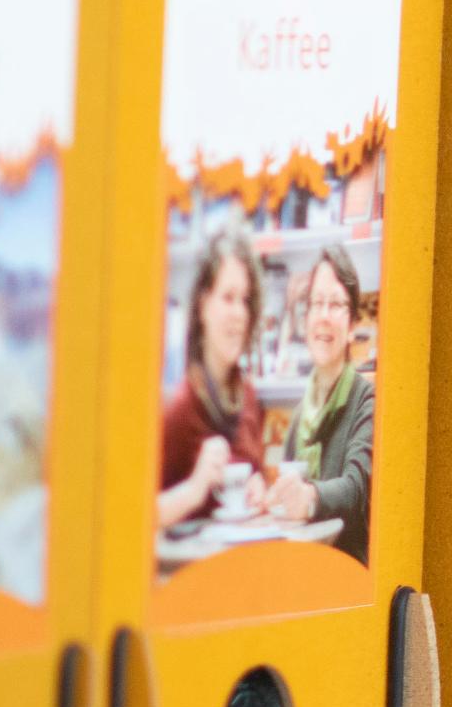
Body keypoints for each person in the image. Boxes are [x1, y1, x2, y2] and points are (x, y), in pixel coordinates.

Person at [258, 242, 374, 562]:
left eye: (335, 304)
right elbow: (288, 497)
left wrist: (310, 498)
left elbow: (356, 488)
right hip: (303, 569)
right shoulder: (300, 415)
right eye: (316, 304)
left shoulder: (366, 402)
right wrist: (270, 498)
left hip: (346, 574)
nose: (323, 316)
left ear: (352, 325)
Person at [157, 223, 265, 549]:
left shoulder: (248, 398)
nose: (239, 313)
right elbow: (135, 517)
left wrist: (258, 489)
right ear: (204, 305)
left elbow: (257, 477)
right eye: (228, 297)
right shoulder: (180, 407)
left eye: (245, 300)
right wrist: (194, 489)